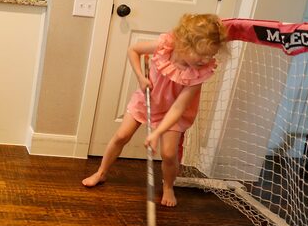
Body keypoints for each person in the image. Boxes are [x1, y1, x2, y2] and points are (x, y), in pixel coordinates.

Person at [82, 13, 229, 207]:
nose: (205, 60)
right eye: (201, 55)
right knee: (121, 136)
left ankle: (168, 186)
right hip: (147, 100)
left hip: (173, 113)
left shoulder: (200, 72)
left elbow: (178, 107)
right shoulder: (165, 46)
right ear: (184, 44)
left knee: (168, 154)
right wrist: (141, 78)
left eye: (210, 55)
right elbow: (133, 50)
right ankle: (101, 173)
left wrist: (157, 132)